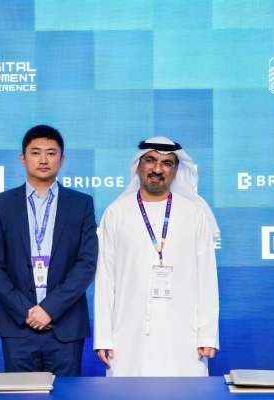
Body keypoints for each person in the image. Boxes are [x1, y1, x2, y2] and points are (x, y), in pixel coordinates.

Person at [93, 136, 220, 376]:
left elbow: (207, 279)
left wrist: (207, 335)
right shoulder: (116, 213)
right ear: (138, 165)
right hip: (127, 335)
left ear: (176, 170)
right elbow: (105, 279)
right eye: (150, 160)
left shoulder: (194, 214)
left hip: (184, 335)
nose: (157, 169)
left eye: (167, 163)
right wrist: (104, 337)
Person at [0, 125, 98, 376]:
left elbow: (87, 263)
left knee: (66, 393)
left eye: (51, 153)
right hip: (17, 326)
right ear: (23, 159)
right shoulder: (2, 204)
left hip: (65, 326)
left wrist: (49, 309)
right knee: (19, 393)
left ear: (62, 159)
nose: (43, 159)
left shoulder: (81, 203)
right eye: (35, 152)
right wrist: (26, 312)